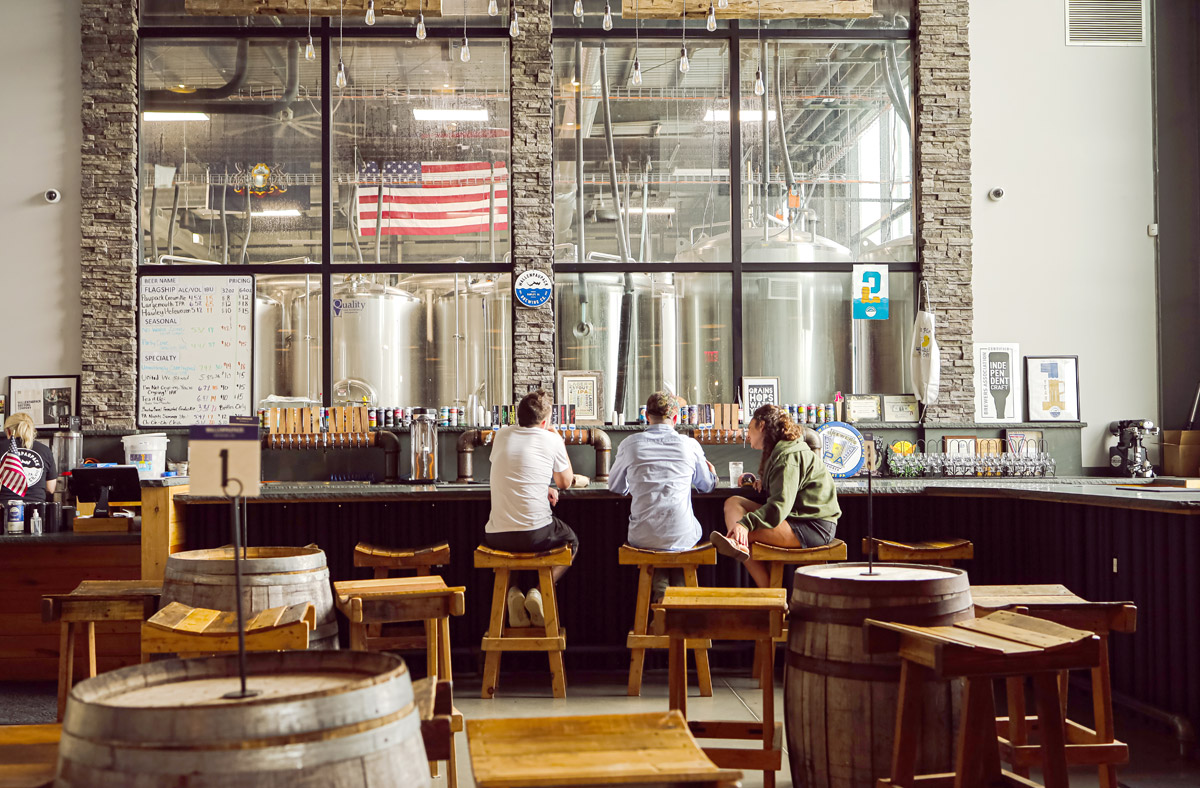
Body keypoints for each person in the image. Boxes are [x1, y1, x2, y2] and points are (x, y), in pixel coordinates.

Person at [485, 389, 588, 627]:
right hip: (535, 534)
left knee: (510, 551)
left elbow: (516, 473)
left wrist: (543, 488)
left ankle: (512, 594)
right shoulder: (551, 438)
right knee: (572, 542)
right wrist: (558, 439)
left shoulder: (501, 435)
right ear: (544, 422)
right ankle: (538, 592)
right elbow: (564, 482)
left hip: (495, 537)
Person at [710, 403, 840, 587]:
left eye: (749, 428)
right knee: (733, 502)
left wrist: (745, 524)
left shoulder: (788, 457)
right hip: (797, 518)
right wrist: (764, 483)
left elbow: (778, 508)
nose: (747, 434)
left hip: (812, 527)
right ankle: (738, 545)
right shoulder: (779, 452)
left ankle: (767, 589)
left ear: (761, 425)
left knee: (745, 534)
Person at [608, 391, 718, 601]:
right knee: (680, 540)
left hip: (642, 537)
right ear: (675, 419)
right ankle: (677, 606)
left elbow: (615, 486)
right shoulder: (689, 445)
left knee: (657, 543)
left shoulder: (630, 444)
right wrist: (712, 474)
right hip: (681, 535)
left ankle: (662, 598)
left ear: (647, 417)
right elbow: (706, 486)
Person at [0, 413, 58, 503]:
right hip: (37, 510)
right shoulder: (45, 450)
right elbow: (50, 488)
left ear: (8, 431)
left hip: (5, 509)